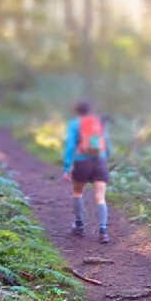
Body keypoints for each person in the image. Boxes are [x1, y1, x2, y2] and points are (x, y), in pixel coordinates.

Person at [62, 101, 110, 244]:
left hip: (82, 162)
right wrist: (105, 158)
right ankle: (103, 231)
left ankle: (79, 225)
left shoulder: (74, 123)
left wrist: (66, 166)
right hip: (100, 161)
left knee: (77, 192)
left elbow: (70, 145)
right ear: (90, 110)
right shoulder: (98, 122)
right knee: (100, 196)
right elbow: (106, 143)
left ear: (77, 111)